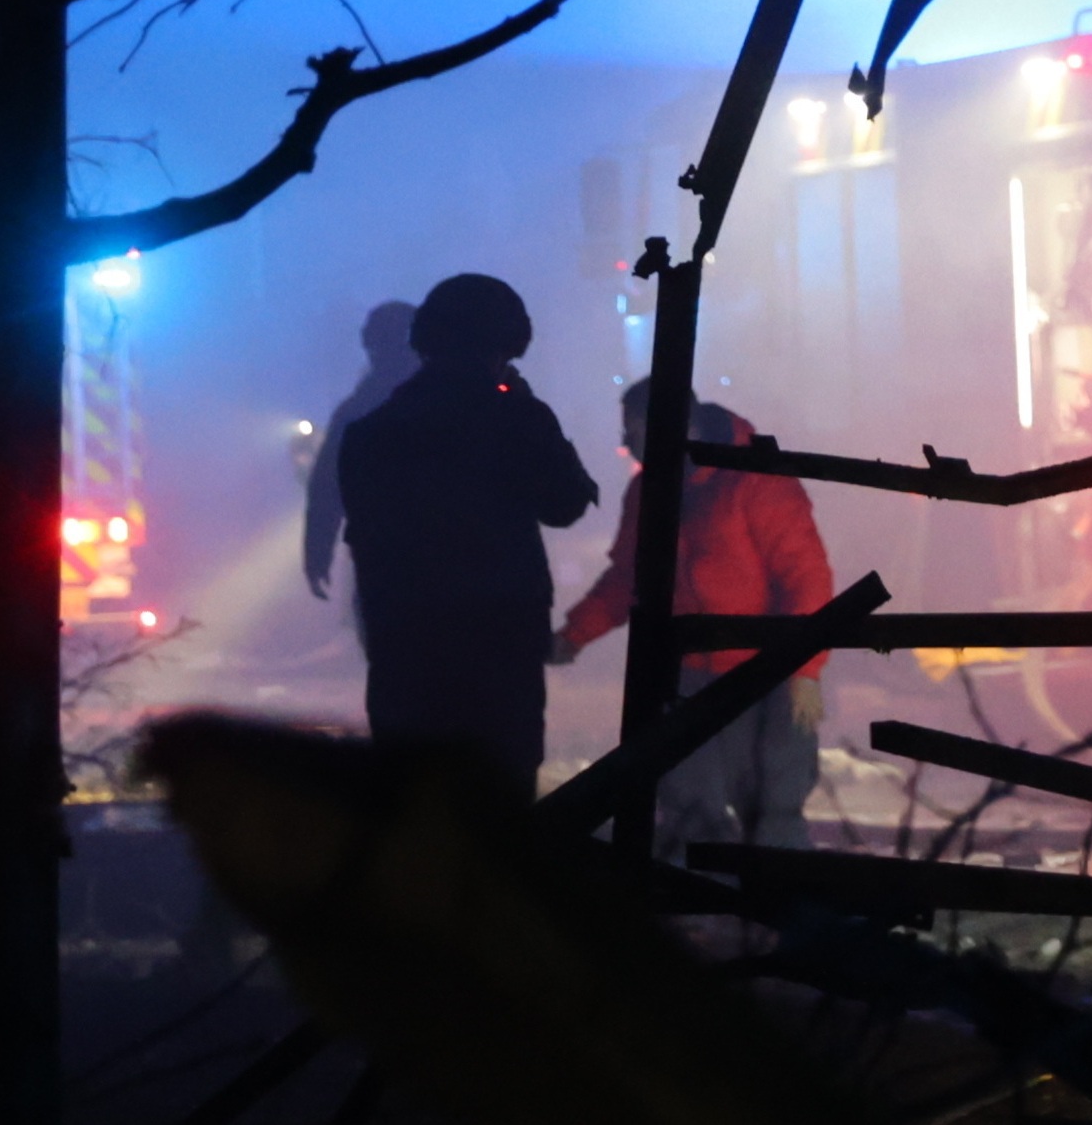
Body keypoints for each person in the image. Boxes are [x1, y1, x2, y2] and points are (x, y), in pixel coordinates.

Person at [334, 272, 601, 797]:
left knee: (411, 804)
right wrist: (530, 413)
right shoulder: (517, 418)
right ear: (507, 342)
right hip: (500, 646)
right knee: (500, 803)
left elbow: (366, 539)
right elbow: (567, 504)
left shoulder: (371, 433)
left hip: (404, 647)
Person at [547, 377, 834, 850]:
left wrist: (803, 671)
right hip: (687, 679)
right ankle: (712, 913)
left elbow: (806, 578)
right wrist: (575, 634)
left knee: (772, 812)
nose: (627, 443)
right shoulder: (649, 490)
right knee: (690, 808)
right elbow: (628, 577)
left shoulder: (755, 480)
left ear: (675, 426)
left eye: (634, 431)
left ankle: (780, 911)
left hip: (762, 679)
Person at [299, 298, 419, 598]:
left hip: (386, 565)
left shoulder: (356, 411)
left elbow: (327, 488)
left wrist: (317, 554)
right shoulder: (459, 400)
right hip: (456, 565)